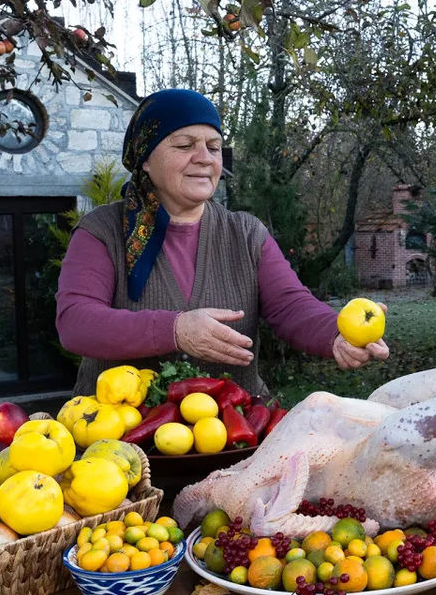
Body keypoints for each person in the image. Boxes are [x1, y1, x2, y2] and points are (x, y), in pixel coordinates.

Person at [56, 88, 389, 397]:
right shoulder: (103, 230)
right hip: (120, 444)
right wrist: (175, 330)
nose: (204, 158)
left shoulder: (245, 233)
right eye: (185, 145)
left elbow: (291, 306)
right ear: (145, 158)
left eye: (213, 147)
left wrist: (336, 333)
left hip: (237, 433)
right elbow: (76, 323)